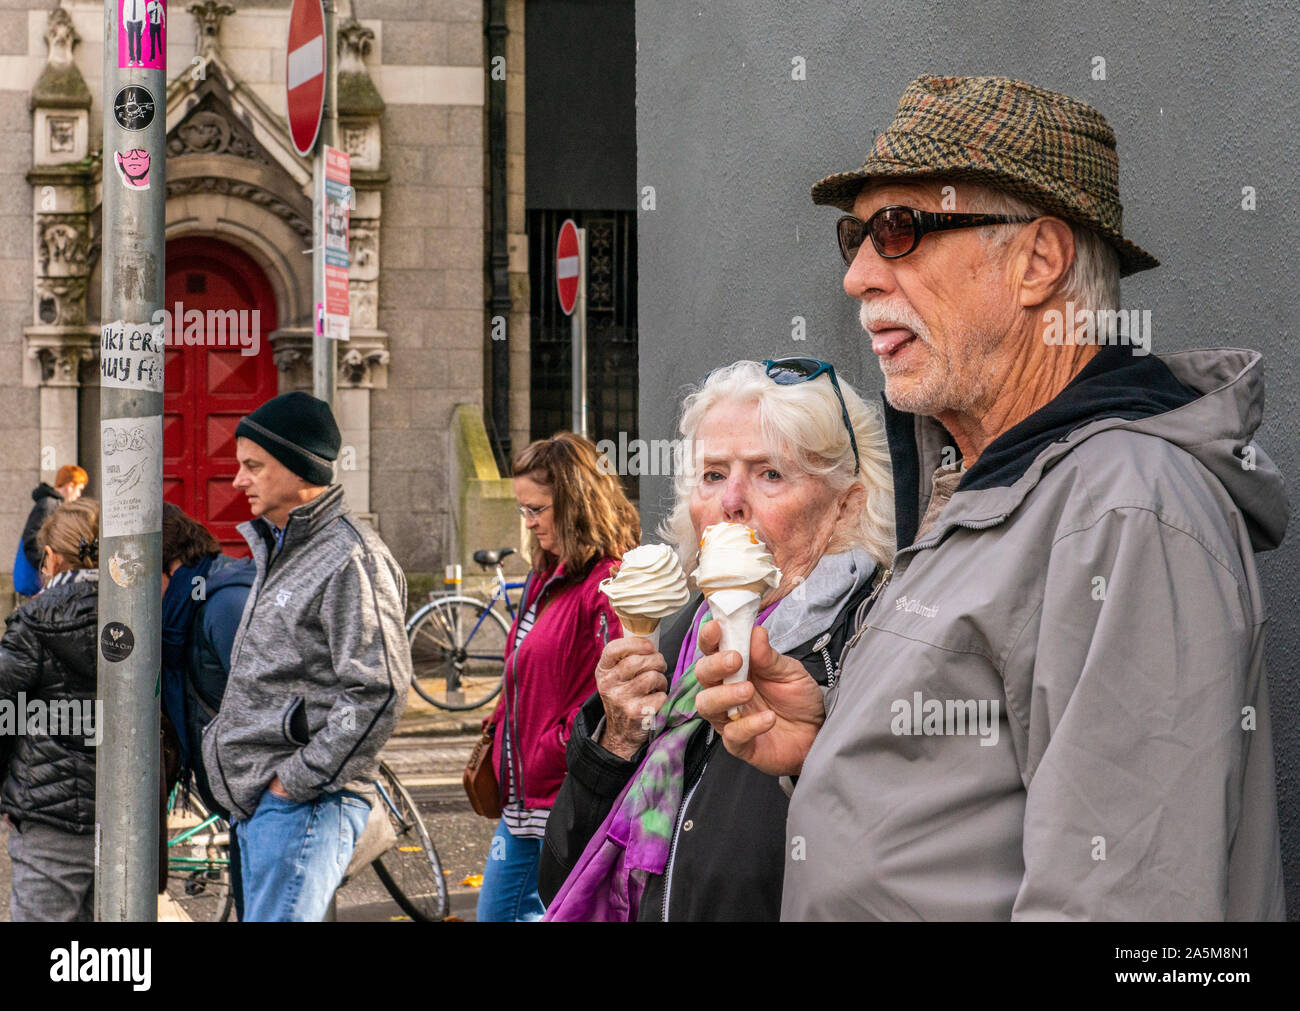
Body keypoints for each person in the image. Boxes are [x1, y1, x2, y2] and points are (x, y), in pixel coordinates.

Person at [694, 74, 1288, 920]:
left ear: (1038, 261)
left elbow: (1133, 911)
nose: (859, 275)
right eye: (853, 236)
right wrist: (823, 750)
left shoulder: (1125, 511)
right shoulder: (989, 484)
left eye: (899, 229)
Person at [540, 360, 896, 921]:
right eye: (712, 475)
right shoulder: (679, 638)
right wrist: (613, 742)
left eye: (769, 473)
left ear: (845, 505)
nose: (731, 499)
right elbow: (559, 873)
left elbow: (901, 872)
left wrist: (808, 766)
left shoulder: (878, 642)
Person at [199, 392, 412, 922]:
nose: (238, 481)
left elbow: (380, 688)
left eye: (253, 466)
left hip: (301, 804)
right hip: (269, 806)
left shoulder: (350, 557)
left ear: (299, 470)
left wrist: (294, 782)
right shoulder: (284, 547)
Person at [475, 432, 640, 922]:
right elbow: (527, 675)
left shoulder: (605, 586)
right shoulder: (547, 576)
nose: (528, 524)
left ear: (574, 504)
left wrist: (553, 747)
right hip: (526, 799)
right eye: (523, 510)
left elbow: (615, 696)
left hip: (558, 797)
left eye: (537, 510)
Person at [0, 499, 100, 921]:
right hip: (128, 815)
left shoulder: (32, 621)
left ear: (53, 557)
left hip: (46, 814)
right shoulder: (142, 614)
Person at [160, 502, 255, 918]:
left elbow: (267, 700)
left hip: (259, 797)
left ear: (169, 564)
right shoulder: (187, 604)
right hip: (239, 797)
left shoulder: (223, 605)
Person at [20, 464, 86, 574]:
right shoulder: (49, 504)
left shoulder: (54, 504)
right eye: (79, 489)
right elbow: (32, 541)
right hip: (42, 575)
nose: (79, 494)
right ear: (70, 486)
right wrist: (48, 568)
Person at [122, 0, 144, 67]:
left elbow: (143, 12)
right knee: (130, 42)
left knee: (138, 42)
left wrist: (143, 26)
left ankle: (139, 59)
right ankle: (132, 58)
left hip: (138, 21)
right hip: (129, 22)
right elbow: (125, 10)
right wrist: (125, 24)